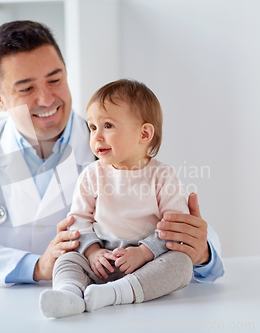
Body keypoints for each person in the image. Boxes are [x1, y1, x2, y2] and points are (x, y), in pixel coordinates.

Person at [0, 20, 224, 287]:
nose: (46, 99)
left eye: (55, 80)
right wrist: (37, 267)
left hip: (109, 306)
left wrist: (203, 252)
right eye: (27, 88)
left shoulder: (117, 144)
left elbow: (185, 236)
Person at [39, 79, 193, 318]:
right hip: (100, 257)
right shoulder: (92, 174)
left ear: (144, 133)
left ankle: (115, 293)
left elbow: (174, 227)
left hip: (144, 263)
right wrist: (91, 253)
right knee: (67, 258)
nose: (97, 137)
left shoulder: (163, 176)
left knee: (181, 264)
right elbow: (78, 220)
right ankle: (69, 295)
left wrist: (143, 253)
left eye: (108, 125)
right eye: (92, 128)